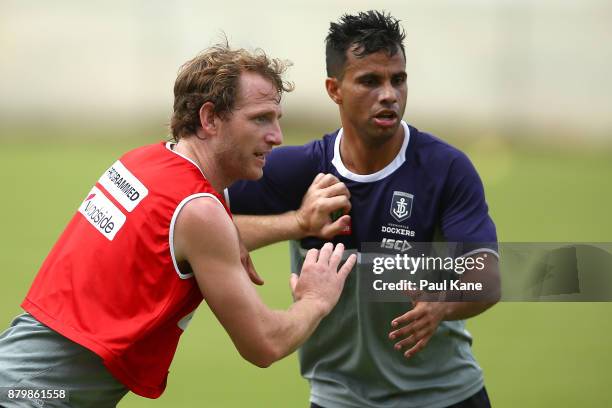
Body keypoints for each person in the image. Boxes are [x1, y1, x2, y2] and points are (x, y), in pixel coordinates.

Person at [0, 44, 356, 407]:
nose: (277, 136)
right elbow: (265, 344)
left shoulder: (142, 162)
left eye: (276, 118)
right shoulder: (200, 213)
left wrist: (296, 223)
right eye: (260, 118)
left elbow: (184, 242)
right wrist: (315, 299)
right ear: (210, 118)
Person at [228, 11, 501, 408]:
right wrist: (296, 223)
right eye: (370, 81)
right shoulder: (302, 169)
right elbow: (194, 219)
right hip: (340, 399)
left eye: (398, 79)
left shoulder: (444, 168)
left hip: (446, 396)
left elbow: (487, 271)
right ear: (334, 89)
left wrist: (445, 301)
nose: (389, 94)